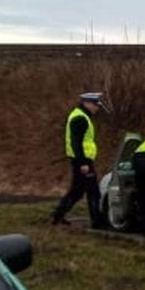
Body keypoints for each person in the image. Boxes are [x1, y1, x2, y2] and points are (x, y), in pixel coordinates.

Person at [50, 92, 109, 228]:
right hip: (83, 160)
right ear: (86, 103)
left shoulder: (80, 116)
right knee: (93, 191)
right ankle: (97, 221)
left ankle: (58, 215)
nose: (97, 108)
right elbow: (76, 142)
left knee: (77, 191)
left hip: (81, 159)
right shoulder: (80, 118)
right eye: (95, 105)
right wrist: (83, 162)